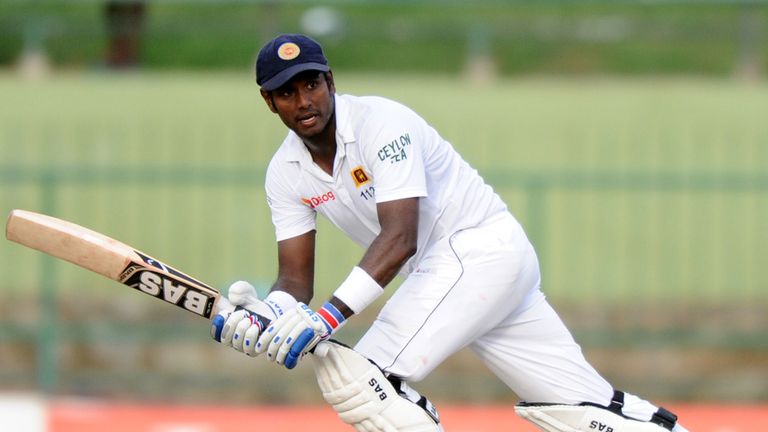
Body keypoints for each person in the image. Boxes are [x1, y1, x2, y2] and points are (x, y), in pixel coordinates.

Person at [210, 33, 688, 432]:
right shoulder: (285, 172)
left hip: (474, 253)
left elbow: (400, 238)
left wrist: (327, 318)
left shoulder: (382, 124)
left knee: (363, 380)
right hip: (469, 275)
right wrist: (265, 316)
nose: (304, 101)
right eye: (287, 93)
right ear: (268, 102)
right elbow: (294, 281)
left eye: (310, 84)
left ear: (330, 81)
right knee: (588, 413)